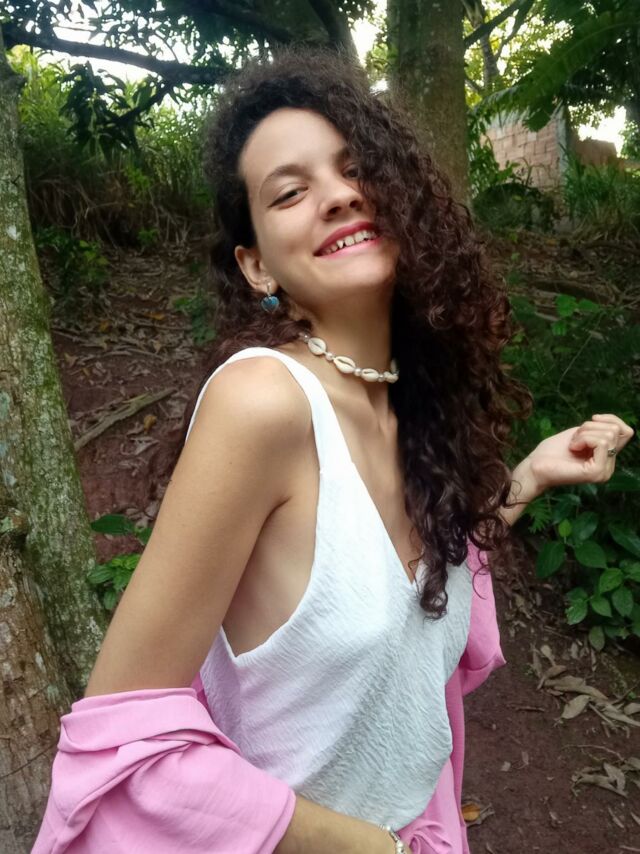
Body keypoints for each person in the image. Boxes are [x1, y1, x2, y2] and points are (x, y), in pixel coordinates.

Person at [32, 45, 634, 854]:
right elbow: (123, 742)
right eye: (290, 191)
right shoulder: (264, 403)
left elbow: (404, 585)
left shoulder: (409, 404)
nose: (341, 195)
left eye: (356, 169)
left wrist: (530, 476)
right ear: (255, 266)